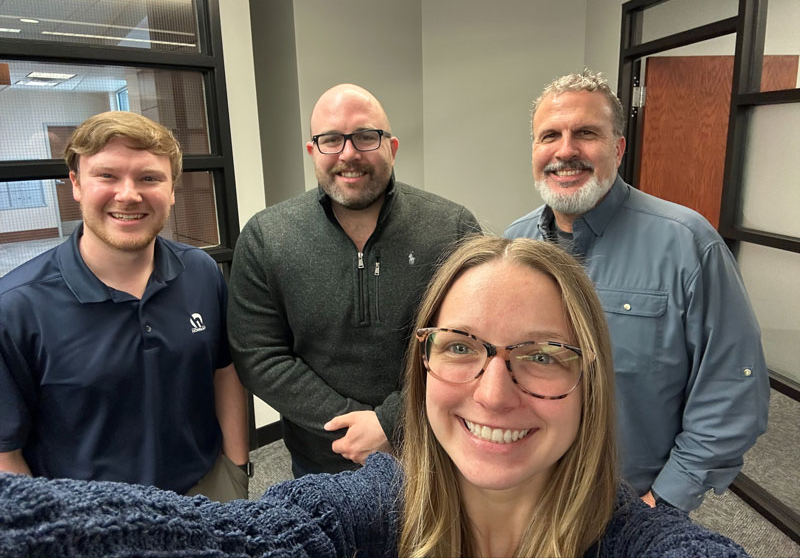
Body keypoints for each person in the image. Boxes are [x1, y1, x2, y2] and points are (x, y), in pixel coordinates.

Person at [0, 237, 748, 557]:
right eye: (460, 346)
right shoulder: (361, 515)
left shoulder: (640, 540)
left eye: (542, 356)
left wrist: (384, 418)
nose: (493, 392)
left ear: (590, 379)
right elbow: (223, 535)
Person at [505, 69, 769, 512]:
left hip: (632, 503)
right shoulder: (515, 245)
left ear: (618, 147)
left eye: (585, 133)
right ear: (534, 149)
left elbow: (732, 387)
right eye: (549, 135)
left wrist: (664, 501)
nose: (565, 151)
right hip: (529, 494)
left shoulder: (688, 244)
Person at [228, 83, 480, 476]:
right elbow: (258, 354)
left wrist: (389, 422)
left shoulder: (452, 228)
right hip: (321, 459)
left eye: (366, 137)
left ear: (391, 148)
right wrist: (352, 423)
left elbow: (472, 342)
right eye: (331, 139)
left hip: (434, 452)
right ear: (313, 152)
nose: (348, 154)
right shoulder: (267, 237)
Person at [0, 111, 250, 501]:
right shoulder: (16, 308)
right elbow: (6, 450)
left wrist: (235, 473)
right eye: (107, 176)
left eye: (149, 178)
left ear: (171, 191)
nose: (129, 194)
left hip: (204, 497)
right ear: (76, 184)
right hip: (90, 524)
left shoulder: (201, 272)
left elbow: (224, 372)